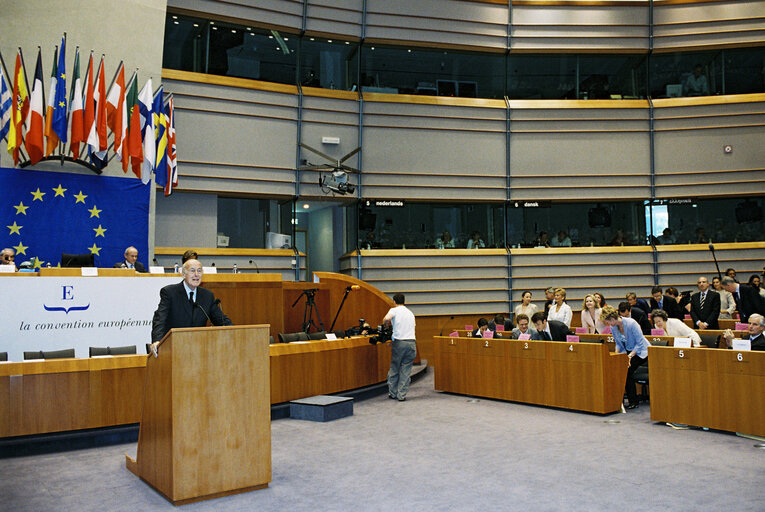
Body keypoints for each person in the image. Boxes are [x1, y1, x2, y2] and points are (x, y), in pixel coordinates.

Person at [150, 259, 232, 354]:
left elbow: (221, 320)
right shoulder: (170, 292)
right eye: (192, 271)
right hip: (174, 348)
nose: (196, 274)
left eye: (199, 271)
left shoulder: (207, 296)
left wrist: (235, 333)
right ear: (184, 274)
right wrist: (157, 341)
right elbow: (160, 319)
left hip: (199, 349)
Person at [600, 306, 649, 409]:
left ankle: (633, 401)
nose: (608, 325)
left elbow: (640, 343)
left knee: (627, 370)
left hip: (642, 352)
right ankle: (620, 400)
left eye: (608, 322)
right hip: (628, 351)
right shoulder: (613, 327)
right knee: (620, 369)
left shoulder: (631, 323)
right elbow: (618, 343)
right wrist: (616, 354)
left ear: (612, 318)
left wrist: (630, 356)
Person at [383, 293, 417, 401]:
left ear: (394, 301)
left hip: (400, 343)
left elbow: (386, 319)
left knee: (395, 368)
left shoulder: (394, 310)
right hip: (411, 343)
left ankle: (392, 393)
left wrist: (385, 325)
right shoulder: (410, 313)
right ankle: (401, 395)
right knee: (406, 370)